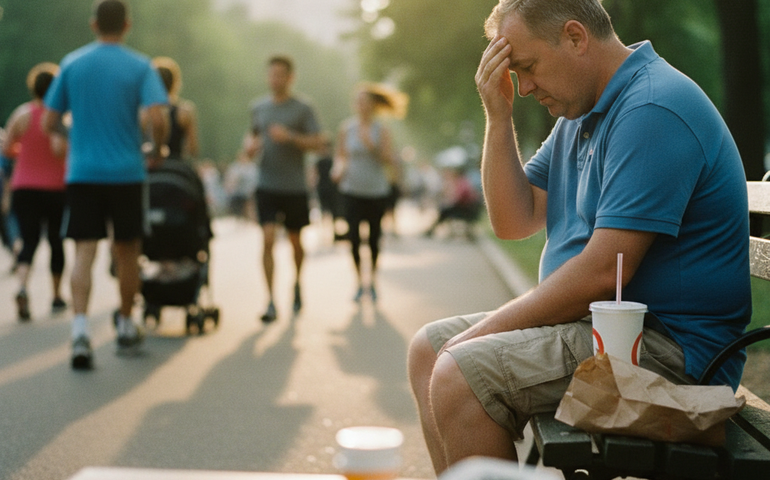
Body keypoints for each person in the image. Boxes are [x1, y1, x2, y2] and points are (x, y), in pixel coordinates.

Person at [407, 0, 751, 474]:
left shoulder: (651, 107)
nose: (523, 87)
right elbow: (514, 220)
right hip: (610, 332)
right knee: (428, 349)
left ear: (574, 37)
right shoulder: (581, 113)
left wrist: (470, 341)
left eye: (527, 68)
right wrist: (498, 116)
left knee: (459, 373)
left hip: (670, 352)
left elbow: (600, 274)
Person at [43, 0, 169, 370]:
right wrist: (155, 145)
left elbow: (49, 121)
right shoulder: (140, 65)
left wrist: (75, 133)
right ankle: (127, 325)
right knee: (126, 250)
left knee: (84, 250)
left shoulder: (72, 63)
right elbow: (158, 117)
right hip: (127, 171)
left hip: (83, 171)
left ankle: (80, 331)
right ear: (127, 25)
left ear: (93, 24)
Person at [244, 55, 323, 322]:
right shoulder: (258, 107)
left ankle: (297, 283)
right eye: (271, 74)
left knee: (295, 242)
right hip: (266, 183)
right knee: (267, 239)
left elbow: (318, 142)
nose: (275, 79)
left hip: (294, 186)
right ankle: (270, 301)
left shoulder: (303, 108)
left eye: (280, 74)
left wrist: (290, 137)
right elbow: (252, 139)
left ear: (290, 77)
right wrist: (250, 148)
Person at [2, 62, 68, 321]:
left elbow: (7, 148)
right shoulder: (60, 119)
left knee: (28, 240)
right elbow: (60, 152)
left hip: (24, 187)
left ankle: (21, 287)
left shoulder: (22, 114)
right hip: (55, 188)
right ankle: (56, 296)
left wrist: (24, 151)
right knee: (55, 241)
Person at [332, 82, 407, 302]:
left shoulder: (381, 129)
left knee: (373, 239)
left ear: (373, 106)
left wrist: (371, 146)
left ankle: (372, 280)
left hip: (376, 191)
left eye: (366, 102)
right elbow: (341, 156)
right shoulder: (346, 129)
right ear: (355, 105)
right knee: (354, 239)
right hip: (351, 190)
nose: (362, 106)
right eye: (359, 102)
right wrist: (337, 170)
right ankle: (358, 282)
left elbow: (387, 159)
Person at [149, 56, 199, 161]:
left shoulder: (145, 111)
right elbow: (193, 149)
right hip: (176, 165)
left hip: (152, 166)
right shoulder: (185, 111)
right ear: (175, 82)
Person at [424, 166, 482, 239]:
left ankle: (431, 230)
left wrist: (450, 200)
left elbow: (458, 199)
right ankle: (431, 230)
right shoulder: (464, 182)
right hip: (466, 209)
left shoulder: (462, 183)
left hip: (465, 211)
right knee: (444, 210)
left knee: (444, 211)